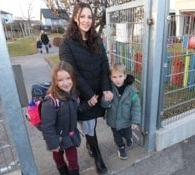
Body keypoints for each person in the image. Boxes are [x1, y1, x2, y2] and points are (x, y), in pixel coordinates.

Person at [59, 2, 113, 174]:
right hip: (78, 93)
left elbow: (104, 64)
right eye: (82, 16)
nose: (86, 20)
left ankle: (94, 149)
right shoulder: (66, 43)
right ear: (75, 18)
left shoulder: (96, 39)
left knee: (91, 124)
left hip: (96, 92)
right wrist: (88, 94)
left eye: (89, 17)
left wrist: (106, 88)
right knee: (81, 126)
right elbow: (70, 71)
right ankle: (92, 153)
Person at [41, 61, 80, 175]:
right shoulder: (50, 101)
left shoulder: (73, 94)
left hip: (70, 136)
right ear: (55, 81)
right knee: (58, 158)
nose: (66, 83)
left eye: (68, 78)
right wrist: (53, 143)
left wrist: (89, 104)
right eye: (60, 80)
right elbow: (47, 126)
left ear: (73, 78)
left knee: (73, 160)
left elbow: (77, 108)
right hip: (56, 138)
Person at [101, 62, 141, 160]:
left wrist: (135, 121)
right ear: (110, 77)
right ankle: (121, 147)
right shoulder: (108, 89)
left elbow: (136, 106)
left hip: (127, 120)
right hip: (113, 120)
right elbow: (103, 105)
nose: (117, 79)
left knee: (128, 134)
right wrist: (106, 100)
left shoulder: (131, 90)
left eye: (120, 76)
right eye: (114, 77)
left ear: (125, 76)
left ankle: (128, 139)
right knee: (117, 137)